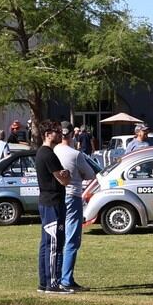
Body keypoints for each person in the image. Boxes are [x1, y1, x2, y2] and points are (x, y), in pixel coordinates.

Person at [53, 125, 99, 293]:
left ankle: (56, 277)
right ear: (72, 135)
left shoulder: (54, 151)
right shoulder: (75, 154)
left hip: (57, 197)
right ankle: (66, 279)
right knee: (72, 238)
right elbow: (90, 174)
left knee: (57, 238)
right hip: (73, 196)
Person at [32, 123, 69, 293]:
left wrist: (64, 174)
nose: (61, 134)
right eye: (57, 132)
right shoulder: (48, 154)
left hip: (47, 202)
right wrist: (66, 174)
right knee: (54, 244)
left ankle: (43, 283)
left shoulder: (43, 152)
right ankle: (52, 284)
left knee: (46, 243)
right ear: (48, 134)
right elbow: (63, 180)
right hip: (52, 202)